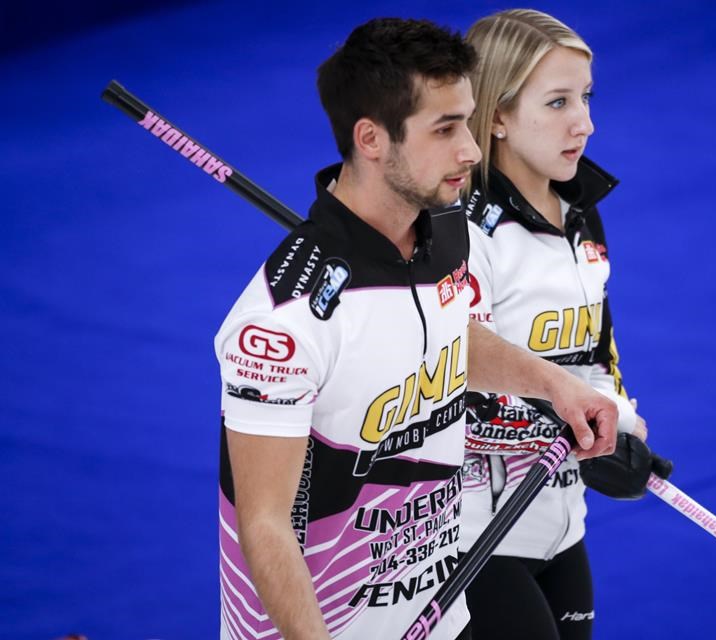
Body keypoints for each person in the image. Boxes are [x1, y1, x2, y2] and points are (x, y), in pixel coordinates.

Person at [213, 17, 617, 640]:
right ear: (372, 139)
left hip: (441, 609)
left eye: (468, 119)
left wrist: (553, 385)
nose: (474, 150)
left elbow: (451, 333)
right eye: (446, 128)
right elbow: (263, 522)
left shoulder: (445, 229)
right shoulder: (282, 322)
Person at [457, 10, 647, 640]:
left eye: (586, 97)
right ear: (498, 115)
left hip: (562, 521)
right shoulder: (459, 229)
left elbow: (597, 355)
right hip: (472, 533)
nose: (584, 122)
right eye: (559, 101)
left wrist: (621, 425)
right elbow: (449, 374)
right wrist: (563, 417)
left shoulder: (580, 212)